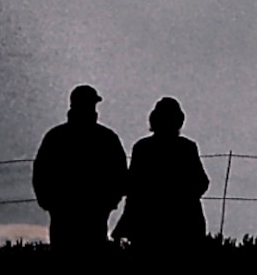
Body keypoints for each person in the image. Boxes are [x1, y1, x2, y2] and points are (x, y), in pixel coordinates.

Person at [33, 85, 129, 251]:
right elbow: (120, 175)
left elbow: (41, 173)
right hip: (91, 211)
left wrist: (49, 202)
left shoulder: (56, 136)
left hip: (66, 211)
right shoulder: (106, 138)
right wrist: (109, 202)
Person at [115, 96, 210, 254]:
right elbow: (201, 183)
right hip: (182, 223)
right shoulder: (186, 148)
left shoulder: (143, 148)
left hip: (149, 223)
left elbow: (132, 187)